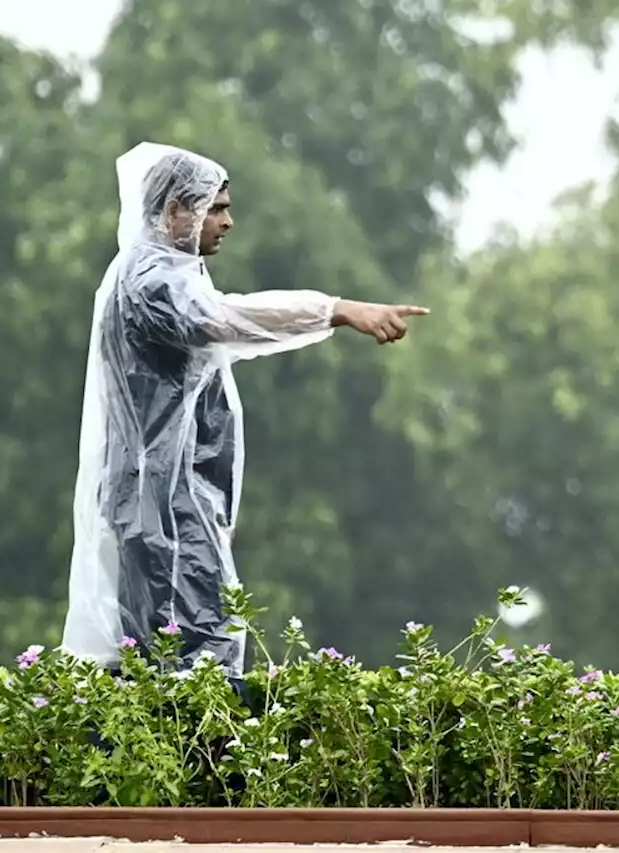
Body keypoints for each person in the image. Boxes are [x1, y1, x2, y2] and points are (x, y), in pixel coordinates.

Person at [59, 141, 430, 691]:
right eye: (215, 208)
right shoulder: (151, 282)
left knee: (182, 661)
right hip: (158, 507)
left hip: (174, 502)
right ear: (172, 212)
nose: (228, 221)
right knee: (184, 669)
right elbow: (229, 321)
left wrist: (214, 505)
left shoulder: (173, 274)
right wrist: (338, 310)